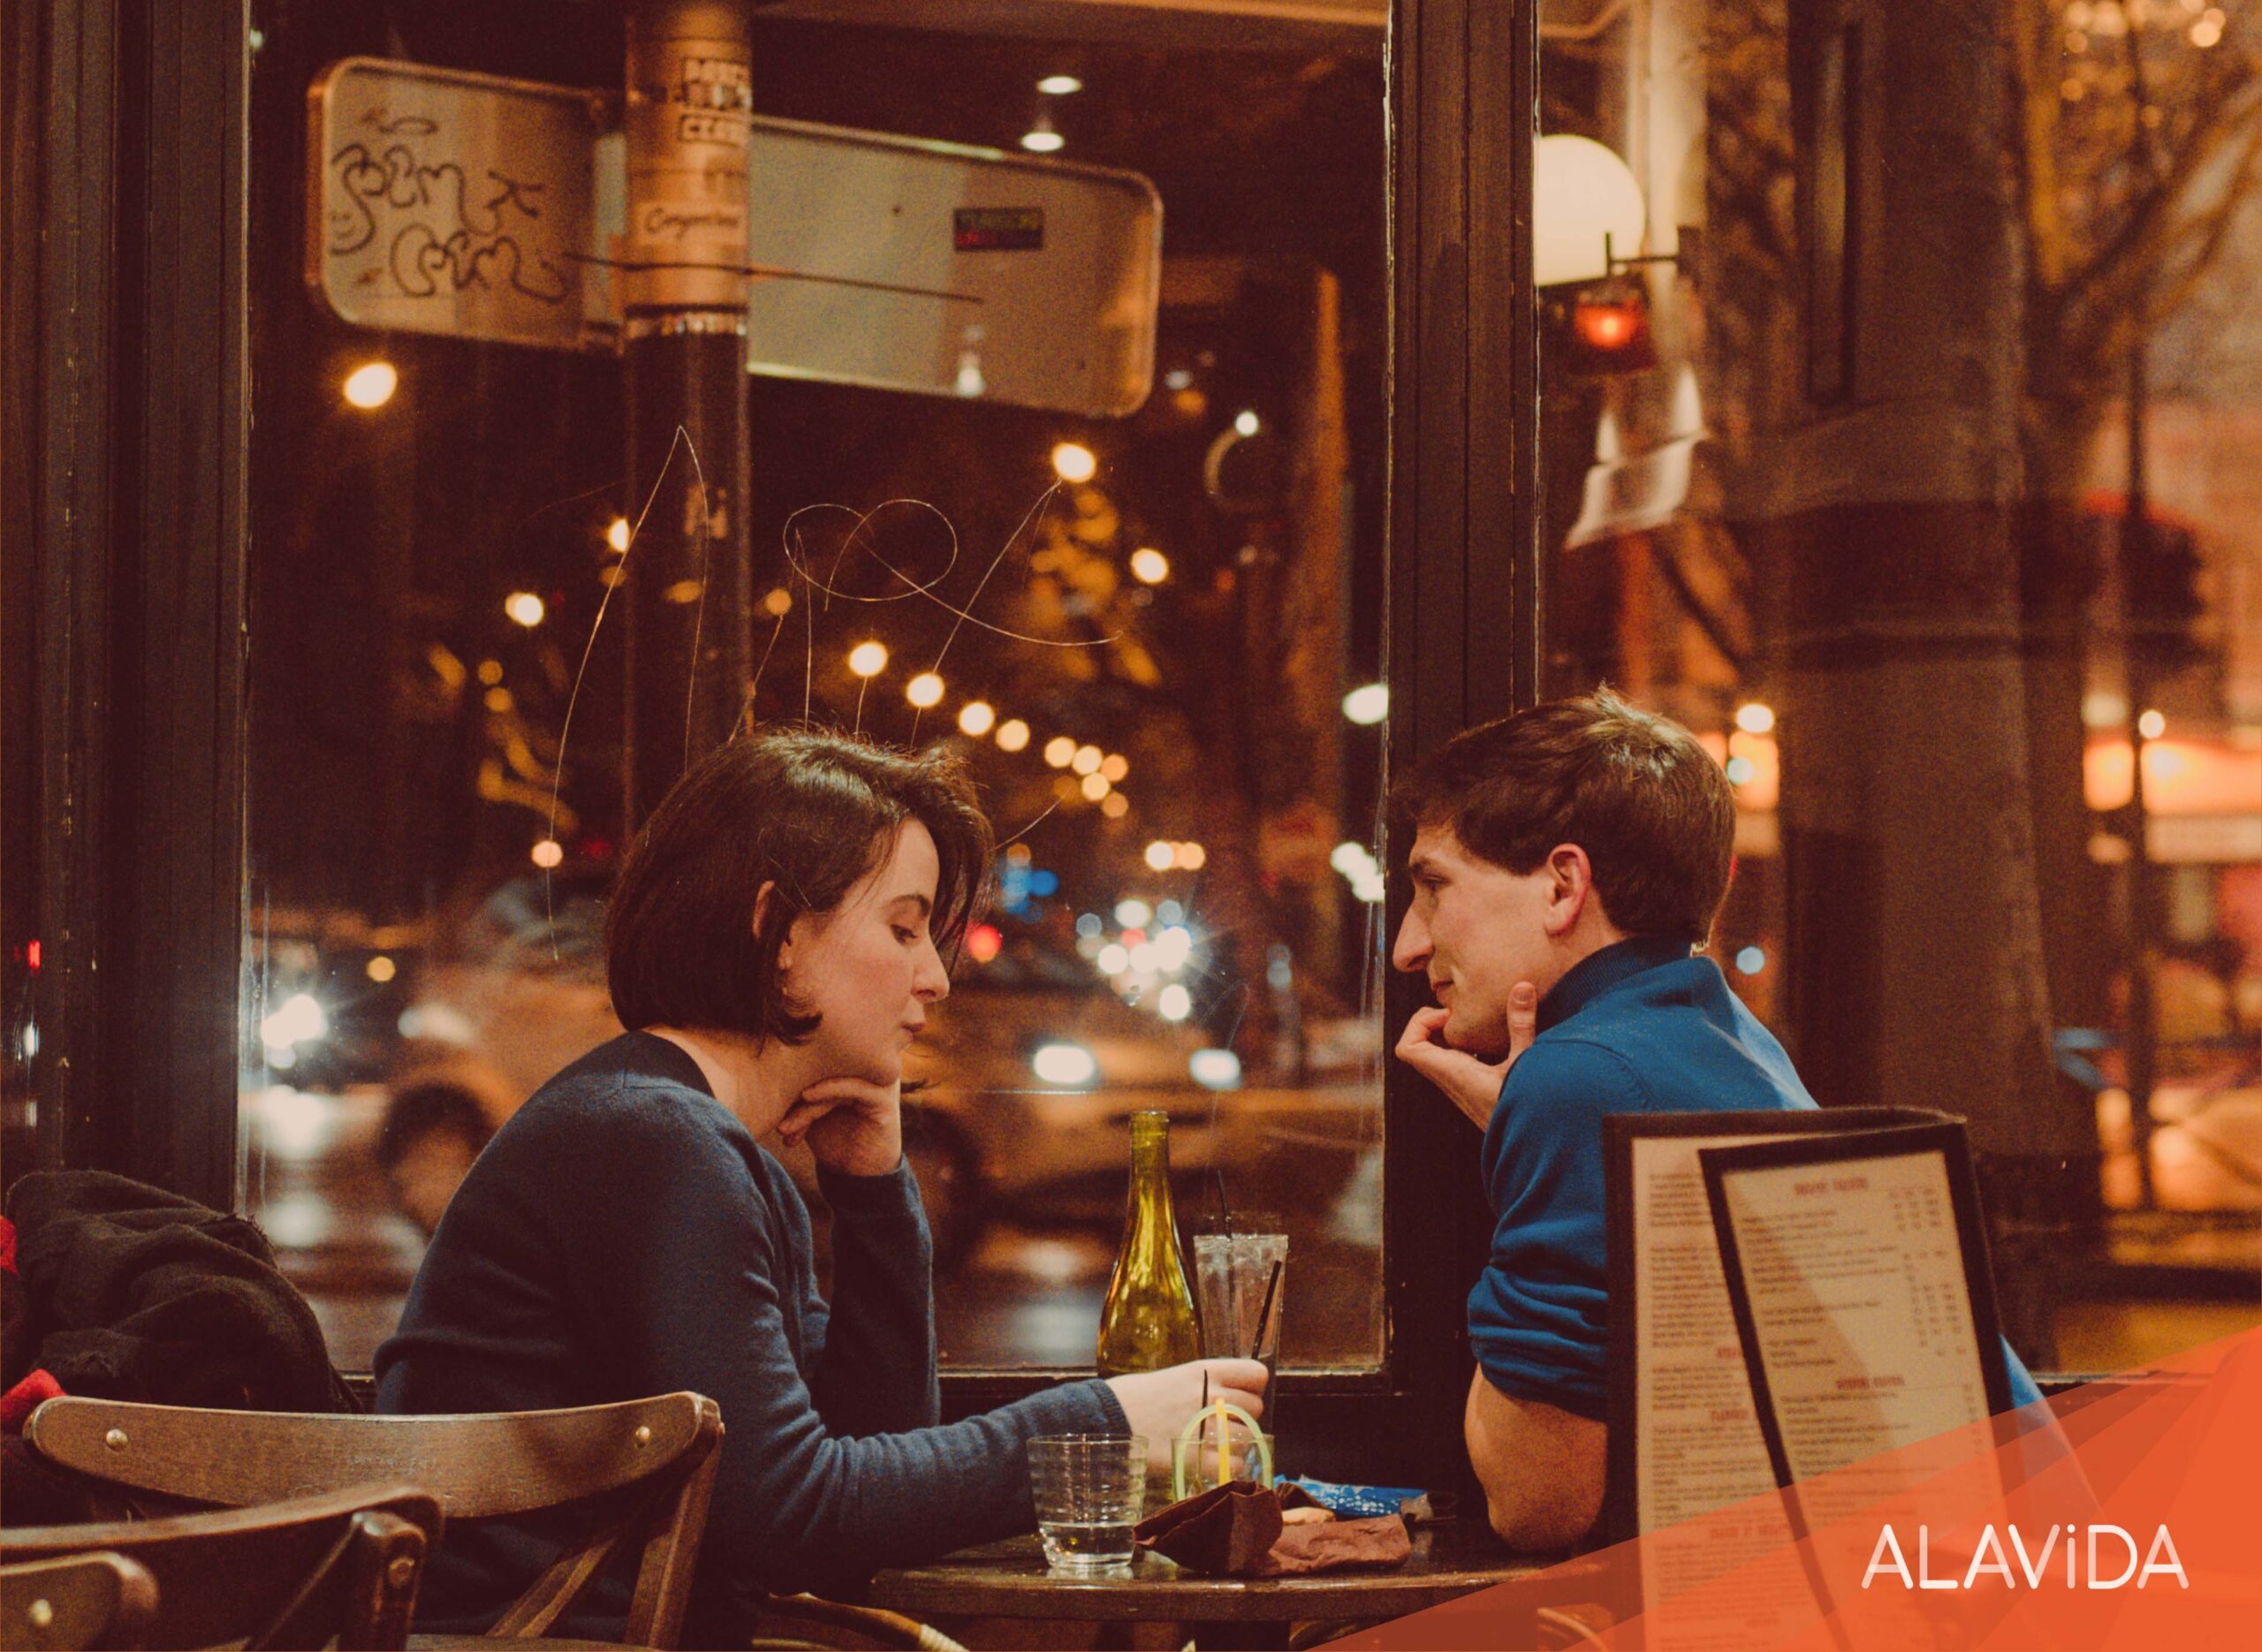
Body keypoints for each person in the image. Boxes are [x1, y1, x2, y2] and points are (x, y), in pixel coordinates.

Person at [376, 728, 1262, 1643]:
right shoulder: (654, 1139)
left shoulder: (683, 1132)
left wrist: (875, 1195)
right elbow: (795, 1518)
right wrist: (1103, 1421)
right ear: (779, 933)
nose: (936, 978)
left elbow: (853, 1494)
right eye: (904, 927)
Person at [1388, 687, 2046, 1550]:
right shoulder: (1716, 1034)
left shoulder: (1578, 1078)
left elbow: (1534, 1499)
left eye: (1433, 887)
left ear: (1561, 886)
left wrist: (1530, 1122)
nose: (1407, 942)